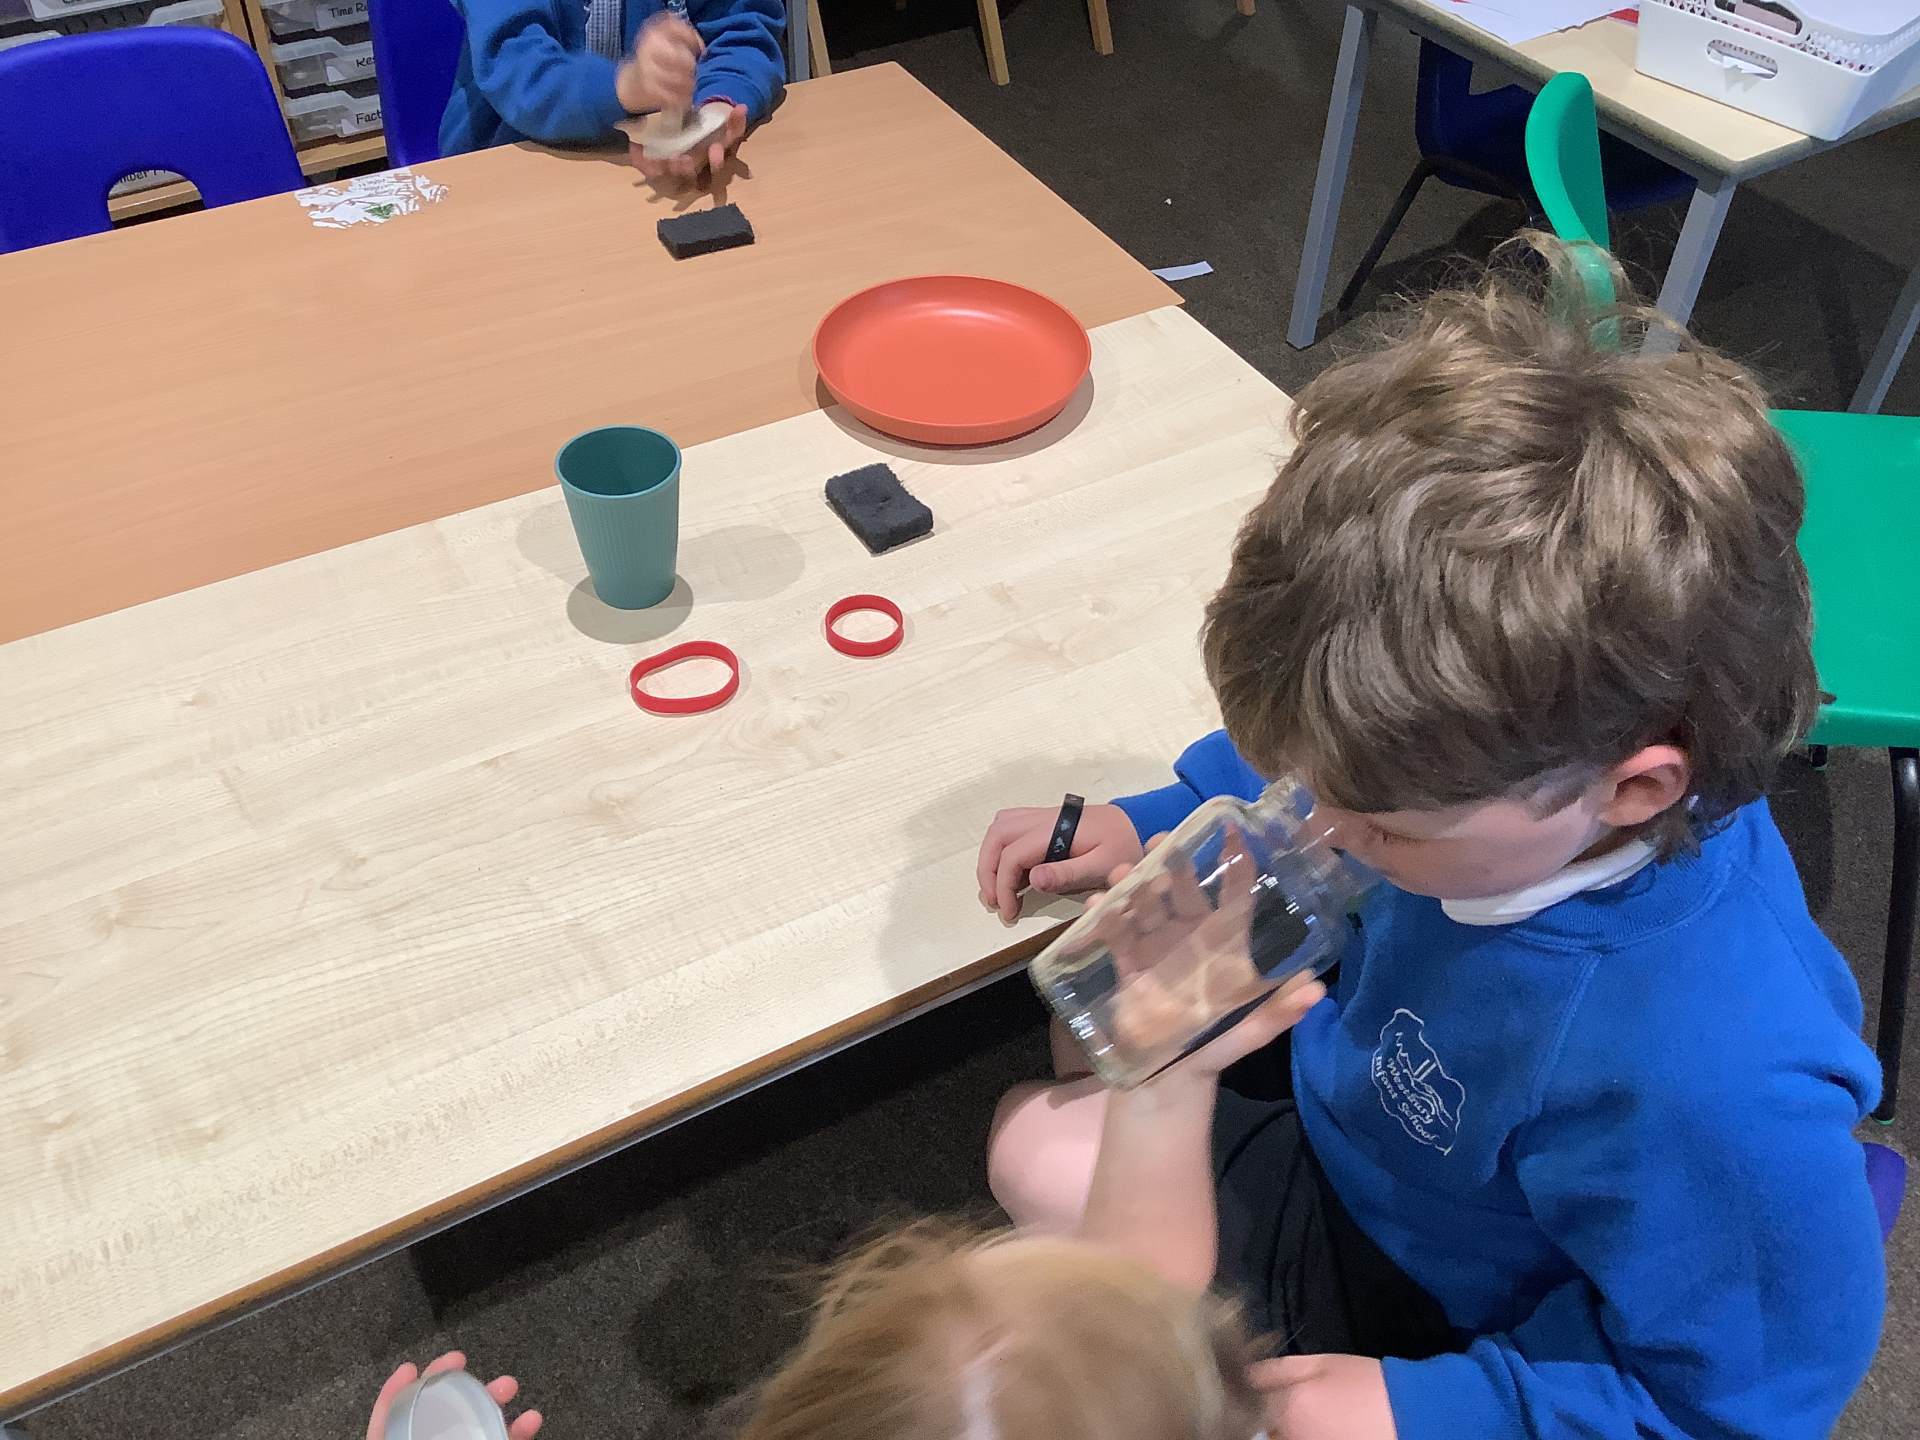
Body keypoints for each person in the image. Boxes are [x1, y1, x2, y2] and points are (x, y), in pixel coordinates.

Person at [981, 245, 1888, 1440]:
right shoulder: (1505, 770)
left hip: (1461, 1309)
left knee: (1084, 1228)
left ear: (1631, 789)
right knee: (1057, 1088)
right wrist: (1152, 819)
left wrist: (1423, 1403)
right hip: (1367, 1128)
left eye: (1380, 825)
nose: (1319, 826)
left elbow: (1733, 1405)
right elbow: (1317, 770)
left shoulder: (1713, 1080)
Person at [441, 0, 785, 179]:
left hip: (656, 175)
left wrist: (715, 111)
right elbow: (518, 70)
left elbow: (744, 30)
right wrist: (627, 85)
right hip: (512, 167)